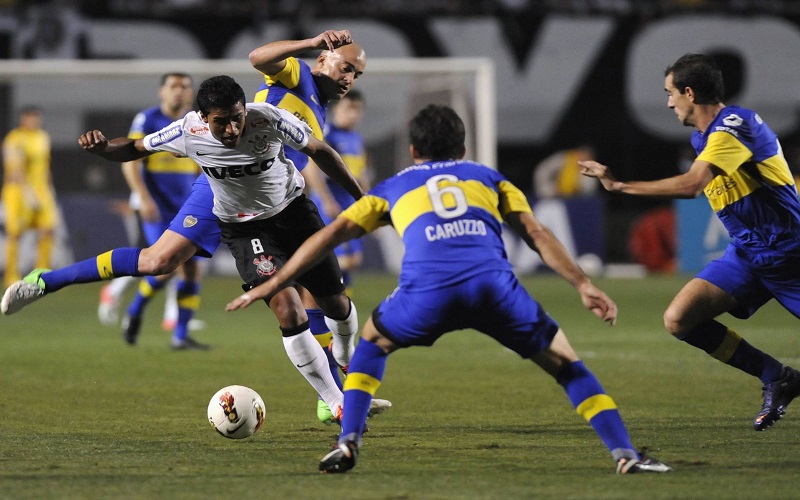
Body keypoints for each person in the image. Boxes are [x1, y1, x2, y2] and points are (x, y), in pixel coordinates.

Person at [226, 104, 671, 475]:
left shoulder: (394, 187)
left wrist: (275, 281)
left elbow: (329, 236)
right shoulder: (489, 178)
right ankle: (625, 454)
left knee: (371, 345)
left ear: (413, 150)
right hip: (494, 290)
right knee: (567, 365)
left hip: (426, 294)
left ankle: (348, 443)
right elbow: (537, 234)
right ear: (462, 148)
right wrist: (583, 283)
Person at [2, 75, 390, 423]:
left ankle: (343, 359)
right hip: (244, 226)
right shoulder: (188, 129)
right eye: (222, 121)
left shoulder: (269, 118)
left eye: (237, 118)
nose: (232, 128)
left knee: (335, 303)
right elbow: (135, 147)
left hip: (294, 213)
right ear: (204, 118)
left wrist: (363, 199)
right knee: (283, 306)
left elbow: (320, 151)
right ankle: (335, 401)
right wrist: (105, 149)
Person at [579, 53, 800, 431]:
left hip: (789, 254)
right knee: (680, 319)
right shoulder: (704, 137)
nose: (669, 103)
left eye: (670, 93)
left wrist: (619, 186)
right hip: (748, 253)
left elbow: (692, 185)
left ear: (690, 93)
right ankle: (777, 376)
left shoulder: (733, 127)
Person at [248, 29, 368, 424]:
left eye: (356, 74)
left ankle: (333, 391)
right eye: (346, 67)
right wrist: (309, 43)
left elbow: (317, 157)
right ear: (323, 60)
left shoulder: (320, 110)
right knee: (161, 261)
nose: (350, 78)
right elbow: (257, 57)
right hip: (250, 205)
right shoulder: (298, 76)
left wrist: (360, 196)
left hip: (284, 206)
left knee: (322, 300)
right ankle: (335, 390)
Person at [96, 72, 208, 349]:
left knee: (191, 269)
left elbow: (202, 160)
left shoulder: (196, 120)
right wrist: (144, 198)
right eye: (173, 86)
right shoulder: (148, 119)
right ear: (162, 92)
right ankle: (135, 311)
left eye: (185, 86)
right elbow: (130, 161)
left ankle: (180, 336)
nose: (179, 91)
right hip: (157, 207)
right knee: (165, 265)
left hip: (186, 207)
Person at [311, 90, 371, 291]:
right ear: (336, 108)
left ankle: (341, 301)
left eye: (357, 110)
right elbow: (312, 167)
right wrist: (326, 200)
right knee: (340, 259)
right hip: (331, 205)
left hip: (350, 206)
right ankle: (311, 289)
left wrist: (370, 202)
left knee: (353, 259)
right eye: (348, 108)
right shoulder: (327, 134)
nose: (353, 114)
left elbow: (360, 174)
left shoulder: (356, 138)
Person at [2, 106, 57, 288]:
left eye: (37, 118)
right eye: (31, 118)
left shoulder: (43, 137)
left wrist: (50, 189)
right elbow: (15, 167)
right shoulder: (15, 138)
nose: (35, 121)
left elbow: (45, 165)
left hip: (41, 190)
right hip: (18, 191)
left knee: (48, 230)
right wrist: (27, 192)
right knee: (15, 233)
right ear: (23, 119)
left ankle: (42, 273)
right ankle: (11, 276)